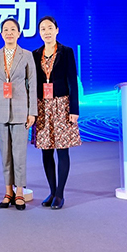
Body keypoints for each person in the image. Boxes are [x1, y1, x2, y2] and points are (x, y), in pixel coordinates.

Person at [32, 16, 81, 210]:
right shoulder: (36, 54)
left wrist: (74, 109)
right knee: (46, 151)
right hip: (42, 106)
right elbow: (33, 84)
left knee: (62, 150)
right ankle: (52, 191)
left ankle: (60, 194)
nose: (47, 32)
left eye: (50, 28)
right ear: (39, 33)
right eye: (43, 29)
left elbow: (72, 81)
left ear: (57, 30)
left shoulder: (66, 52)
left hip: (62, 105)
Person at [0, 18, 37, 211]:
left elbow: (32, 85)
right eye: (6, 30)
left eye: (13, 29)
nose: (9, 33)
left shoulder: (27, 55)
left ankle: (19, 192)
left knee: (19, 153)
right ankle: (8, 192)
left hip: (20, 111)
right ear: (1, 34)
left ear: (19, 33)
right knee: (5, 154)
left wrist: (32, 112)